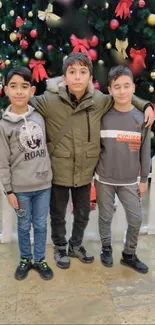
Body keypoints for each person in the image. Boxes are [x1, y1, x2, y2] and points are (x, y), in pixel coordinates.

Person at [30, 53, 153, 269]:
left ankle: (75, 245)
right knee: (58, 214)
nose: (77, 77)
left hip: (86, 173)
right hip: (59, 170)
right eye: (72, 72)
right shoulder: (49, 101)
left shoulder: (99, 101)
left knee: (83, 213)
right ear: (64, 77)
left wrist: (146, 105)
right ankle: (60, 247)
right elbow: (23, 99)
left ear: (90, 77)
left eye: (83, 72)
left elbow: (121, 95)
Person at [95, 65, 150, 274]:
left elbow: (145, 151)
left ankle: (129, 254)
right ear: (110, 90)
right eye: (117, 87)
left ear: (133, 87)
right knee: (105, 217)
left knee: (136, 218)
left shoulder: (142, 118)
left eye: (126, 86)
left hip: (129, 180)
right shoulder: (103, 115)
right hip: (104, 179)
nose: (122, 91)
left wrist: (143, 179)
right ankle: (106, 248)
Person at [0, 67, 53, 281]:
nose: (19, 91)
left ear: (32, 91)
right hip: (20, 190)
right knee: (24, 225)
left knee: (40, 224)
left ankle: (40, 258)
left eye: (24, 87)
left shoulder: (40, 117)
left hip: (43, 186)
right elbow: (3, 161)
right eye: (13, 86)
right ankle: (25, 258)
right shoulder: (4, 126)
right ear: (5, 90)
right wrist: (9, 190)